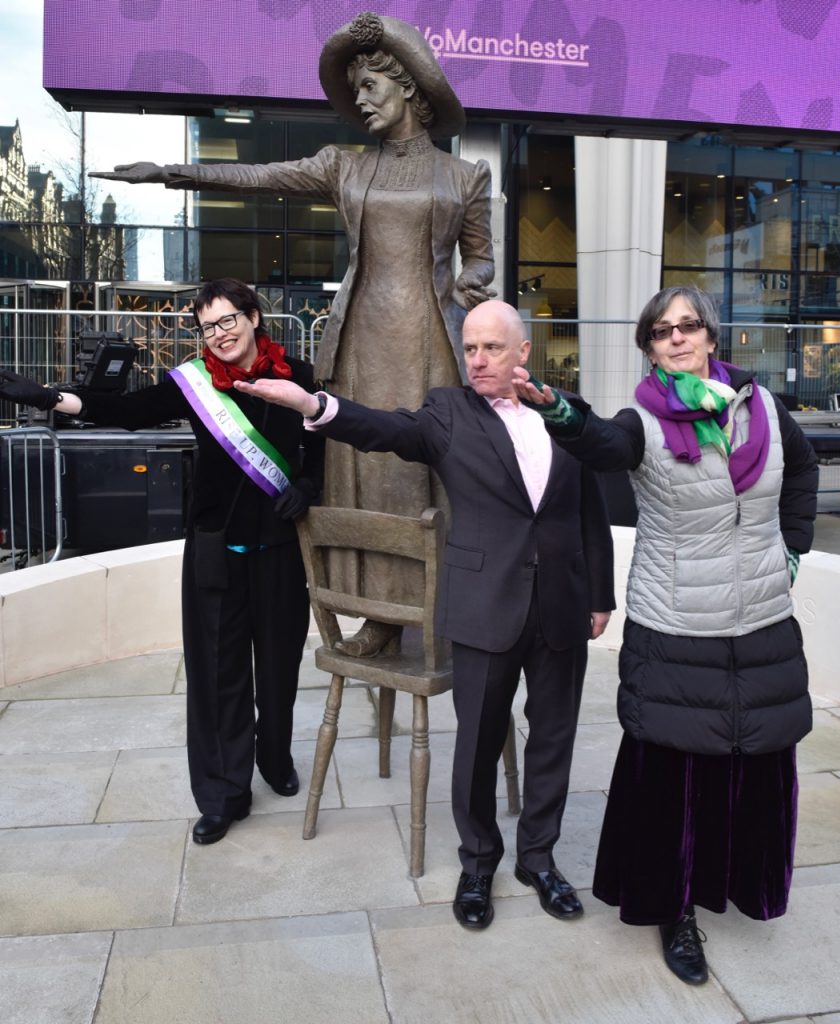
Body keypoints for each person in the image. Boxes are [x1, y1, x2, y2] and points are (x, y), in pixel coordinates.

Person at [90, 11, 495, 658]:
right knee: (362, 469)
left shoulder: (464, 177)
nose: (359, 101)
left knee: (427, 470)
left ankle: (438, 606)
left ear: (411, 90)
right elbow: (259, 176)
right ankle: (381, 614)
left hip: (431, 341)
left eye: (371, 87)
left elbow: (479, 257)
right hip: (361, 335)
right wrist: (170, 172)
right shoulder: (344, 167)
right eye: (355, 88)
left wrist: (476, 283)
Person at [232, 299, 615, 929]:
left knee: (553, 738)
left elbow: (588, 511)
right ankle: (478, 862)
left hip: (562, 604)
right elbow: (386, 429)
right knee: (477, 742)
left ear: (524, 351)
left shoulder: (565, 410)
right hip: (485, 604)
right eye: (469, 348)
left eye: (492, 347)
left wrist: (599, 594)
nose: (478, 360)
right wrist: (312, 406)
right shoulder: (449, 412)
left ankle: (539, 859)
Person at [512, 285, 818, 984]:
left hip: (761, 616)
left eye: (687, 327)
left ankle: (734, 882)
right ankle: (671, 908)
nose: (675, 338)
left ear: (711, 337)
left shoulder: (763, 409)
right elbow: (601, 444)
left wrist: (793, 545)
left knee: (753, 761)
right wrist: (556, 409)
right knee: (674, 779)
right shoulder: (642, 420)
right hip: (679, 620)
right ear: (649, 347)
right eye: (660, 331)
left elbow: (798, 471)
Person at [0, 278, 324, 846]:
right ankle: (225, 792)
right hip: (214, 548)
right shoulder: (192, 383)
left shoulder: (296, 375)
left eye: (227, 321)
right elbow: (127, 409)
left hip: (278, 550)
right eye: (206, 328)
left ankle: (274, 759)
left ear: (252, 318)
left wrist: (308, 483)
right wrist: (50, 397)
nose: (218, 335)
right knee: (218, 675)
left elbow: (319, 442)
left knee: (277, 669)